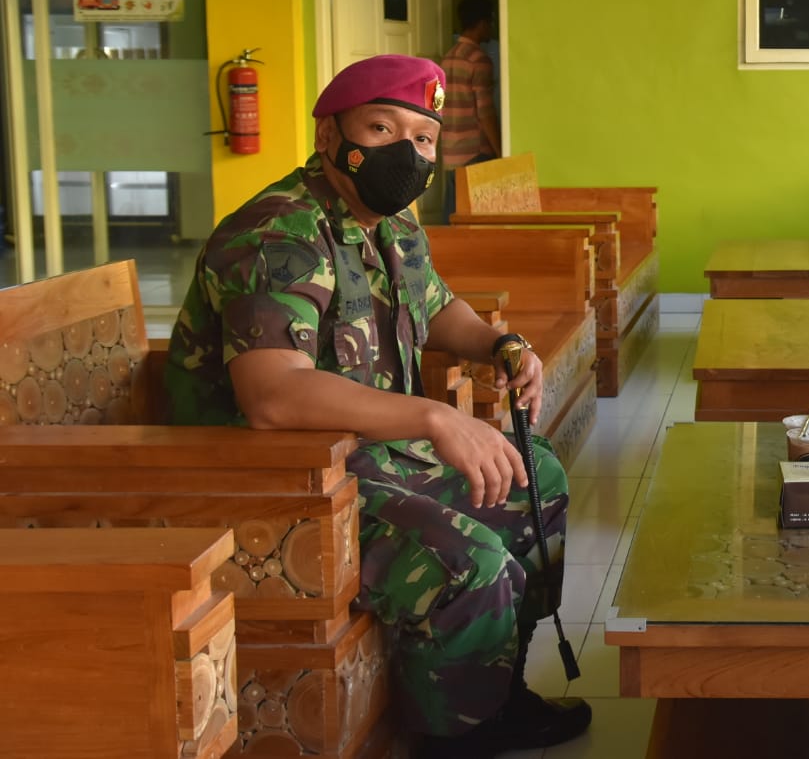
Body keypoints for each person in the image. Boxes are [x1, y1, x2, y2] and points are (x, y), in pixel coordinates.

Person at [165, 54, 590, 758]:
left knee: (533, 474)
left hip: (363, 456)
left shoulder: (389, 223)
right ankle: (459, 736)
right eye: (382, 128)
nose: (407, 152)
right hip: (279, 482)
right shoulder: (279, 233)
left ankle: (496, 686)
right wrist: (435, 417)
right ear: (330, 136)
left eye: (423, 138)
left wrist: (502, 344)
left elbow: (437, 307)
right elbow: (273, 395)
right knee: (469, 560)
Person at [439, 0, 502, 215]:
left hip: (451, 153)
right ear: (483, 23)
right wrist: (500, 151)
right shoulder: (478, 60)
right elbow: (485, 112)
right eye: (491, 21)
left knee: (453, 220)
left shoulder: (448, 58)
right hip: (476, 152)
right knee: (479, 223)